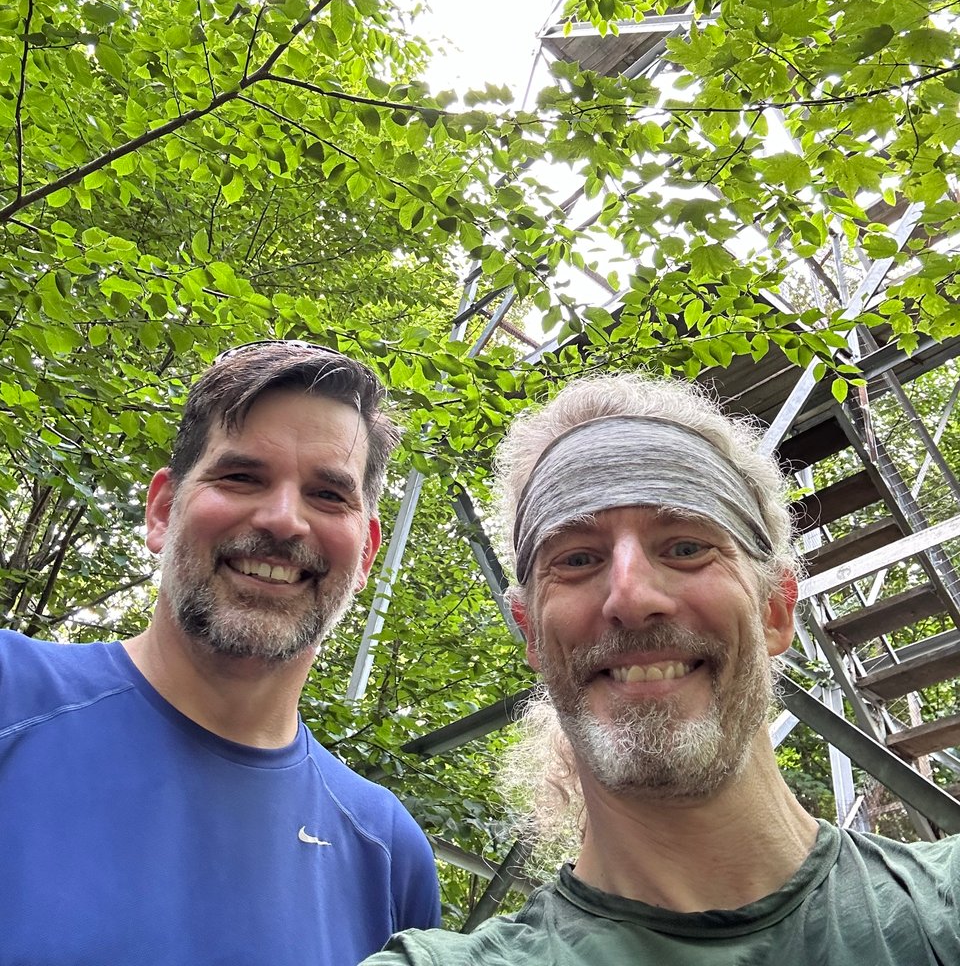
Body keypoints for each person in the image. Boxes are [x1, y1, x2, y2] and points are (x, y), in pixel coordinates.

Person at [362, 373, 959, 965]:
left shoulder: (943, 909)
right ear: (533, 635)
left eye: (685, 546)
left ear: (775, 610)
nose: (630, 595)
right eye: (577, 559)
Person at [0, 341, 440, 966]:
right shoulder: (12, 696)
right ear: (161, 510)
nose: (285, 520)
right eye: (241, 477)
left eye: (328, 495)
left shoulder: (389, 854)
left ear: (367, 552)